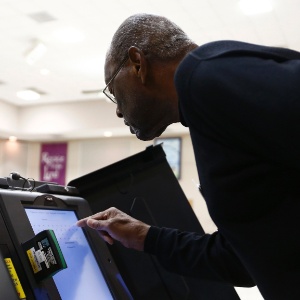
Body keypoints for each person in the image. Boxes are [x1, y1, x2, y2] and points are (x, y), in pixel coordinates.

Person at [77, 13, 300, 300]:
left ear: (137, 64)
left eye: (112, 90)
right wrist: (145, 237)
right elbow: (242, 260)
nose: (118, 110)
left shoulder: (206, 75)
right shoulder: (205, 112)